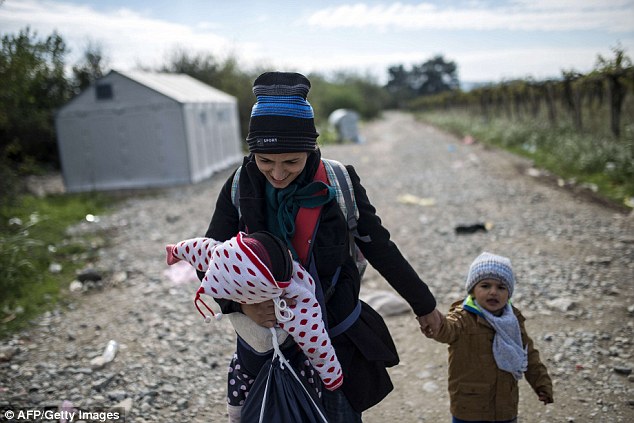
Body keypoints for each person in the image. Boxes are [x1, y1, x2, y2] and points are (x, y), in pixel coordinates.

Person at [201, 71, 442, 422]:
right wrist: (240, 303)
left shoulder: (339, 182)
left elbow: (379, 246)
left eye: (291, 162)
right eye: (266, 161)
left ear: (311, 148)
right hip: (269, 338)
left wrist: (423, 303)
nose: (278, 174)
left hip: (334, 331)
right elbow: (210, 259)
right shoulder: (239, 186)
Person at [429, 252, 553, 423]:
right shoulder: (463, 318)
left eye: (501, 287)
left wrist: (541, 384)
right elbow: (447, 330)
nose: (493, 292)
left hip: (505, 406)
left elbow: (528, 354)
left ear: (508, 293)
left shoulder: (513, 321)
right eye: (485, 286)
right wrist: (435, 323)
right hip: (469, 407)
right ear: (473, 290)